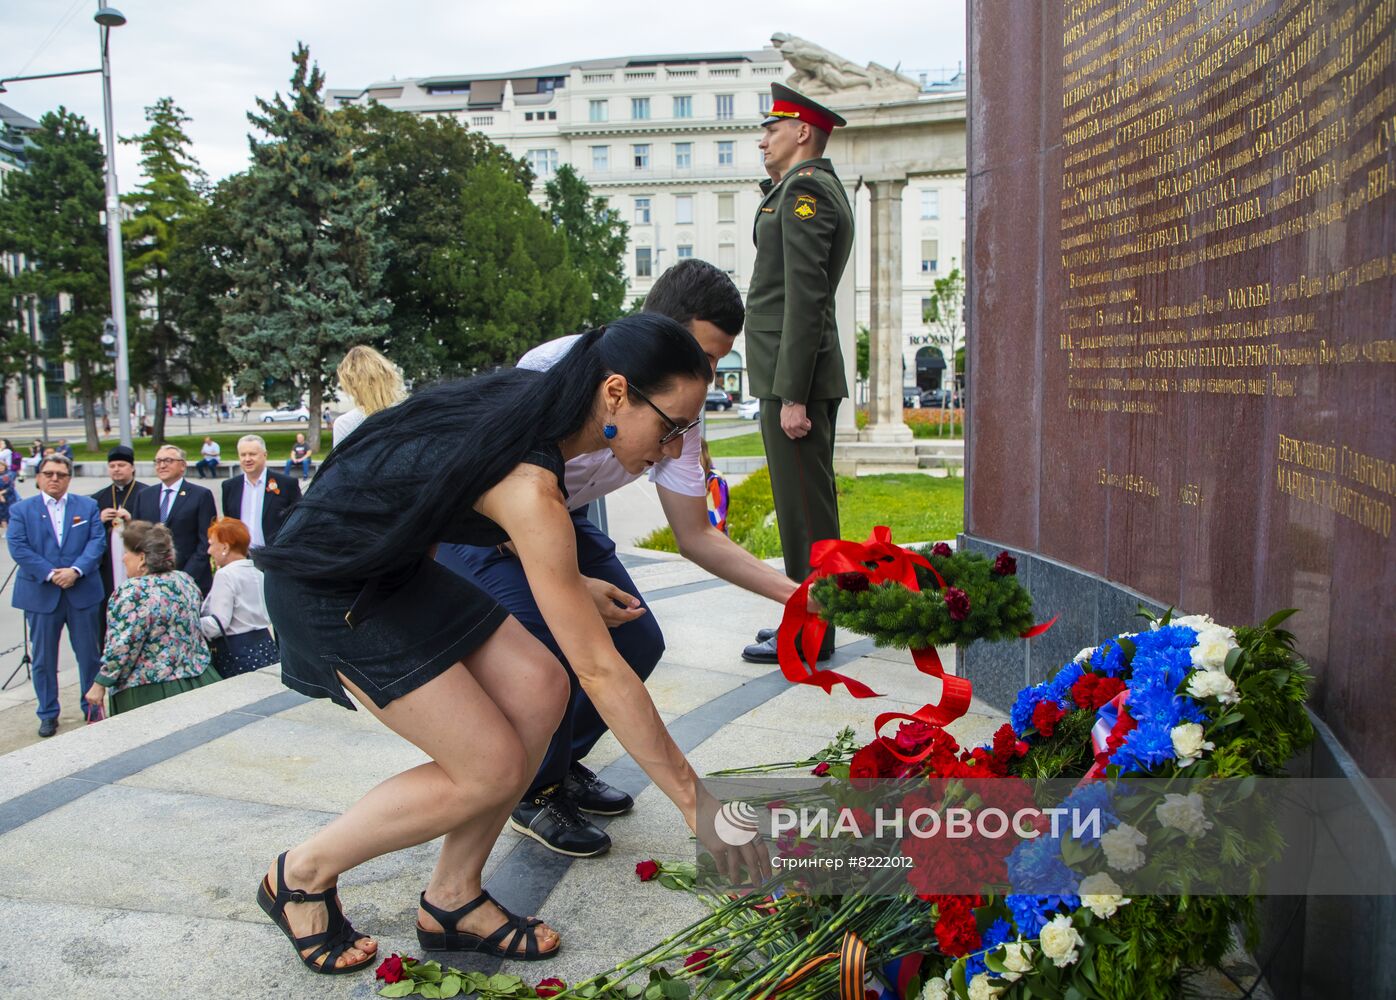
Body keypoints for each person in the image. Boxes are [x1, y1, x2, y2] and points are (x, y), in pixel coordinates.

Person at [250, 315, 766, 977]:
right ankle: (299, 875)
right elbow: (602, 673)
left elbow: (449, 495)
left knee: (540, 684)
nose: (672, 449)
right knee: (489, 766)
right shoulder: (531, 479)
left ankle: (453, 899)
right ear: (616, 394)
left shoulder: (531, 413)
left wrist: (573, 580)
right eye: (671, 426)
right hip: (328, 589)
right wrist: (701, 810)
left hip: (392, 567)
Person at [437, 259, 799, 858]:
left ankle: (561, 761)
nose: (710, 375)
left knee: (638, 640)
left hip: (559, 515)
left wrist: (799, 595)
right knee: (553, 648)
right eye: (705, 357)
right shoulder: (550, 372)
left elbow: (696, 535)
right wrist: (570, 583)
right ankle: (533, 787)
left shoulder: (681, 405)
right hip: (477, 522)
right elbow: (490, 495)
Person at [741, 82, 854, 665]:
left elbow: (805, 301)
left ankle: (813, 634)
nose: (763, 140)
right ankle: (806, 618)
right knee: (801, 510)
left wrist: (792, 395)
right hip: (788, 376)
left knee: (806, 514)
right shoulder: (797, 191)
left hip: (795, 382)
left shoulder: (806, 194)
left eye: (773, 128)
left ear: (802, 131)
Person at [6, 455, 107, 736]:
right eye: (48, 473)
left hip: (82, 591)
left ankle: (92, 708)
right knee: (43, 659)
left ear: (68, 478)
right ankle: (48, 713)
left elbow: (97, 542)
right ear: (38, 477)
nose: (54, 478)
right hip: (41, 594)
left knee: (89, 656)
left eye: (60, 474)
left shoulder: (87, 506)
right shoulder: (21, 510)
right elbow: (18, 547)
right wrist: (51, 574)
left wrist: (75, 570)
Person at [84, 520, 218, 717]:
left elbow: (123, 646)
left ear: (141, 558)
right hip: (197, 679)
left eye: (127, 553)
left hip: (150, 691)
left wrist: (100, 682)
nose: (122, 559)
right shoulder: (183, 580)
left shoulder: (133, 591)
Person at [131, 445, 218, 595]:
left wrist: (184, 578)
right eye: (158, 461)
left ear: (182, 465)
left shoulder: (201, 495)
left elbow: (205, 541)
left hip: (190, 580)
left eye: (168, 460)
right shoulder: (144, 496)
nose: (162, 465)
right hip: (151, 582)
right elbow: (136, 539)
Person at [199, 517, 275, 676]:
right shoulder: (257, 571)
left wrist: (189, 623)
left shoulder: (225, 575)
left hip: (237, 650)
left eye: (212, 544)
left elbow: (218, 624)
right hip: (266, 646)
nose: (209, 551)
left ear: (225, 546)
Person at [89, 445, 149, 618]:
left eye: (121, 465)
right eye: (112, 466)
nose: (116, 469)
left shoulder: (146, 493)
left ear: (132, 467)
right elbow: (88, 533)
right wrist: (99, 520)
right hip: (108, 565)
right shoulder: (98, 498)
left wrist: (132, 521)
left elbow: (153, 528)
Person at [222, 435, 302, 549]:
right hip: (242, 557)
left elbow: (299, 521)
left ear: (265, 455)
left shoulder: (286, 484)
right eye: (243, 455)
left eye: (252, 454)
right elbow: (229, 524)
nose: (247, 459)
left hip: (274, 556)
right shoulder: (229, 487)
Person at [332, 345, 407, 447]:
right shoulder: (409, 413)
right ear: (388, 375)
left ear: (352, 385)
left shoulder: (346, 424)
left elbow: (342, 462)